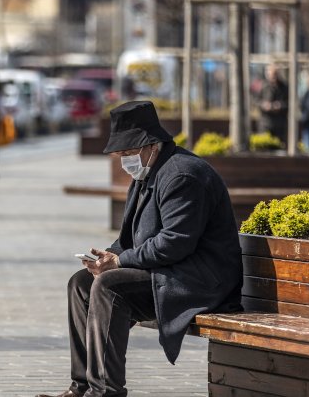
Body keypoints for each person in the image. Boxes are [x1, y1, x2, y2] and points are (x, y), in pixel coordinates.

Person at [36, 101, 243, 397]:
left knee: (109, 286)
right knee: (82, 283)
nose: (124, 160)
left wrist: (119, 262)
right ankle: (81, 386)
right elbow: (129, 239)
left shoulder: (183, 175)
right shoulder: (148, 173)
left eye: (127, 153)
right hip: (167, 271)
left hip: (199, 280)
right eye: (120, 154)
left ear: (151, 145)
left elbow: (175, 243)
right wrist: (106, 258)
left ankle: (106, 391)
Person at [257, 64, 289, 144]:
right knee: (264, 146)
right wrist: (263, 105)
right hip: (265, 123)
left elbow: (289, 103)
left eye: (275, 74)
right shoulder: (263, 86)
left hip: (280, 124)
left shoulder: (284, 87)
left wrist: (279, 105)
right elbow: (256, 100)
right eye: (271, 75)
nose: (273, 77)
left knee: (279, 146)